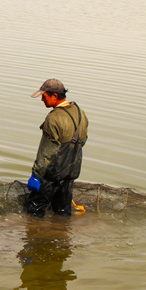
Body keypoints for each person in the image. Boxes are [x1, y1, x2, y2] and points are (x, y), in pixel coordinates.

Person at [25, 79, 89, 217]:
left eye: (44, 96)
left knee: (35, 211)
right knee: (62, 212)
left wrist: (36, 175)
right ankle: (61, 230)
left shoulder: (53, 118)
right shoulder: (80, 113)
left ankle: (35, 230)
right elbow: (83, 140)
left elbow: (47, 152)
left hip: (52, 174)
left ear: (54, 96)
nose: (42, 99)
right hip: (71, 172)